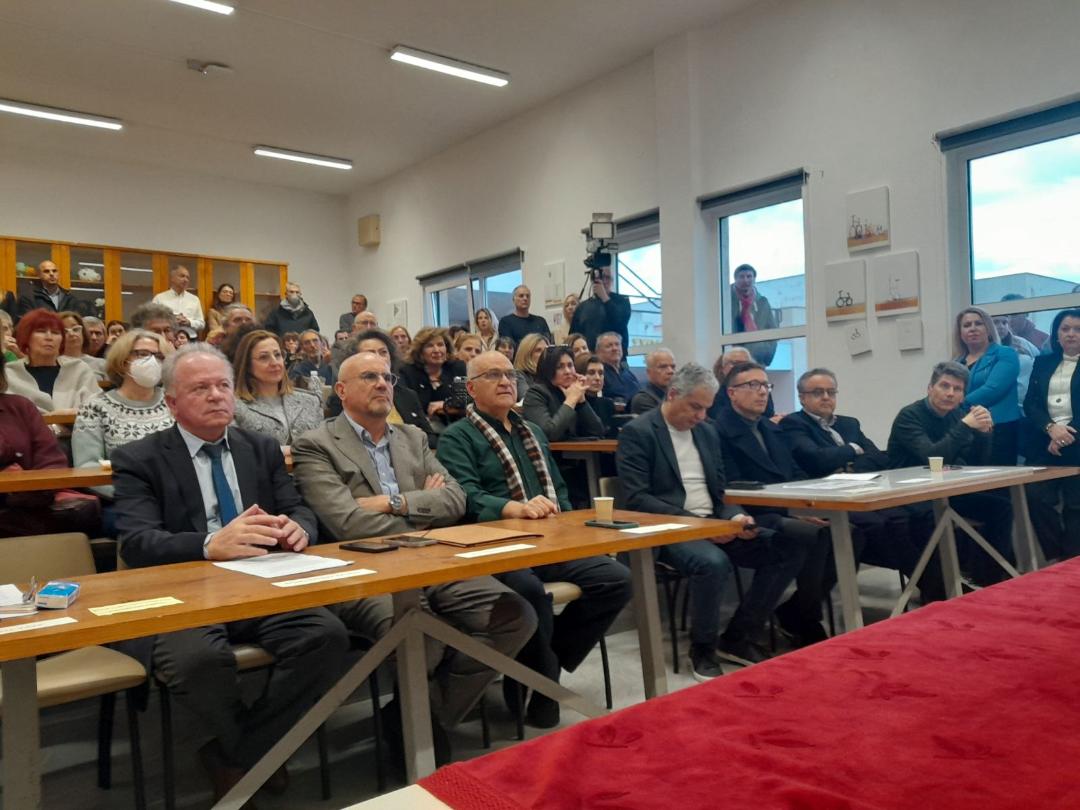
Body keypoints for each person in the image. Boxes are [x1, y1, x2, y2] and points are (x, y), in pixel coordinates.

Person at [110, 344, 349, 801]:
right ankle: (257, 755)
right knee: (196, 662)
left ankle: (236, 756)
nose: (217, 396)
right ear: (172, 402)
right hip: (185, 593)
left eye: (223, 385)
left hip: (262, 583)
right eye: (201, 388)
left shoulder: (259, 448)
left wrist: (298, 527)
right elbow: (138, 542)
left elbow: (297, 506)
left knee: (326, 636)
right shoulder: (139, 459)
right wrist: (207, 544)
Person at [292, 351, 536, 736]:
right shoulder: (316, 444)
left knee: (515, 616)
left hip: (431, 558)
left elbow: (456, 500)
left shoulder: (413, 436)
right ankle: (421, 734)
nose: (382, 384)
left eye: (387, 377)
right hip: (367, 569)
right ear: (340, 390)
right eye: (369, 377)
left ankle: (419, 721)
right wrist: (425, 508)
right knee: (420, 636)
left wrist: (395, 502)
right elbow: (349, 524)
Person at [437, 350, 632, 728]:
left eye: (510, 374)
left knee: (617, 579)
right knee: (529, 592)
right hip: (497, 545)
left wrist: (570, 525)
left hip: (549, 538)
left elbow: (557, 488)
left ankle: (545, 667)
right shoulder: (456, 437)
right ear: (472, 388)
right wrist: (512, 508)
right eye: (493, 375)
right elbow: (465, 497)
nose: (505, 381)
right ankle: (543, 687)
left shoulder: (533, 431)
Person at [618, 363, 806, 677]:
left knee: (789, 546)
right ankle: (702, 649)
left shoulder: (707, 432)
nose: (701, 415)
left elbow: (719, 491)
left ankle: (738, 636)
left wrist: (735, 516)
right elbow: (637, 498)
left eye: (706, 408)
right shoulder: (639, 432)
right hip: (670, 528)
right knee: (713, 563)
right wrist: (702, 526)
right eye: (695, 407)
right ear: (673, 394)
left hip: (713, 522)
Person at [781, 368, 944, 601]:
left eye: (830, 392)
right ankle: (935, 588)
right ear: (802, 397)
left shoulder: (849, 424)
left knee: (915, 516)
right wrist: (852, 449)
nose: (826, 397)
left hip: (862, 491)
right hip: (827, 499)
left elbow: (877, 457)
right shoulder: (794, 424)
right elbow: (816, 459)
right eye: (817, 392)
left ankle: (934, 585)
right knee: (882, 525)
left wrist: (848, 469)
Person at [712, 361, 837, 645]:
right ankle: (747, 632)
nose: (762, 392)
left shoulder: (770, 428)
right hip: (749, 513)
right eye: (752, 385)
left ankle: (798, 613)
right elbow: (732, 488)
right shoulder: (719, 430)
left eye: (765, 385)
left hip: (784, 508)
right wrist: (792, 511)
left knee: (849, 533)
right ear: (731, 393)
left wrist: (808, 505)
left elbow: (794, 473)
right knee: (812, 536)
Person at [887, 361, 1015, 585]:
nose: (950, 393)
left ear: (963, 395)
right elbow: (933, 457)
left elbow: (975, 463)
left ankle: (988, 580)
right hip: (911, 494)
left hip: (945, 491)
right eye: (944, 386)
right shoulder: (909, 416)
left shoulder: (957, 416)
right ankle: (939, 586)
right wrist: (965, 427)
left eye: (957, 389)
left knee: (1001, 507)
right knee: (930, 518)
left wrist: (983, 434)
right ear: (930, 388)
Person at [72, 330, 174, 531]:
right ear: (123, 360)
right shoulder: (96, 407)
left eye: (159, 356)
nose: (152, 361)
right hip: (125, 500)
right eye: (142, 354)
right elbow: (87, 467)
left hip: (176, 496)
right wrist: (137, 494)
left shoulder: (176, 402)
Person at [0, 351, 100, 537]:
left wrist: (19, 491)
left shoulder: (20, 407)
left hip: (31, 501)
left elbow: (52, 460)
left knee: (83, 513)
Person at [1022, 309, 1080, 560]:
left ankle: (1071, 562)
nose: (1071, 334)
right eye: (1065, 329)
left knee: (1076, 506)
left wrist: (1066, 435)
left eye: (1077, 329)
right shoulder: (1042, 362)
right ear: (1056, 334)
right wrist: (1050, 428)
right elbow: (1031, 404)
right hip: (1044, 443)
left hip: (1077, 443)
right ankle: (1058, 556)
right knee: (1035, 498)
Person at [324, 329, 438, 446]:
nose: (378, 358)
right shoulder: (344, 396)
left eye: (383, 352)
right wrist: (405, 437)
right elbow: (339, 440)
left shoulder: (408, 395)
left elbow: (431, 439)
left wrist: (415, 437)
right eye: (370, 353)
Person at [954, 306, 1021, 465]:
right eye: (967, 325)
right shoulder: (956, 362)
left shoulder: (1005, 353)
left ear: (989, 329)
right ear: (960, 333)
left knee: (998, 478)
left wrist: (955, 403)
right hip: (967, 427)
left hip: (999, 429)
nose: (973, 328)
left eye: (978, 323)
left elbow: (993, 389)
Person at [232, 330, 323, 446]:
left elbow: (322, 447)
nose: (275, 363)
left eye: (277, 355)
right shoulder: (235, 408)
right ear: (247, 365)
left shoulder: (311, 401)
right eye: (264, 357)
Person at [4, 308, 100, 412]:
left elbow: (97, 408)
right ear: (26, 337)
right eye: (41, 331)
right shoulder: (9, 373)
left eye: (55, 332)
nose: (49, 337)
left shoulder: (79, 369)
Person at [522, 346, 603, 442]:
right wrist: (571, 400)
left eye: (570, 365)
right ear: (547, 370)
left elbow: (597, 431)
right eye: (560, 367)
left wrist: (581, 401)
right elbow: (549, 434)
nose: (567, 371)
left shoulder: (572, 391)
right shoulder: (535, 394)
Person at [399, 327, 466, 429]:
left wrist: (446, 405)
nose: (437, 350)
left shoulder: (457, 367)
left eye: (440, 345)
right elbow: (409, 406)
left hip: (456, 426)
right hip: (420, 428)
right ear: (420, 352)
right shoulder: (408, 372)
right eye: (430, 346)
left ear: (447, 348)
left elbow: (464, 399)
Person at [570, 266, 631, 352]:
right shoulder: (582, 307)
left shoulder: (622, 301)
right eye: (601, 278)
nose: (604, 281)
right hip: (590, 356)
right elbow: (574, 336)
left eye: (607, 278)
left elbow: (620, 322)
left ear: (612, 281)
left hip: (616, 355)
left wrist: (604, 297)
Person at [707, 345, 775, 421]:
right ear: (723, 367)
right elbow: (717, 416)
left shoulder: (762, 388)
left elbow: (769, 415)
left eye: (745, 364)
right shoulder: (713, 391)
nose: (740, 367)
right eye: (735, 363)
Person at [729, 264, 779, 365]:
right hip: (732, 360)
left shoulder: (762, 303)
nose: (746, 280)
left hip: (758, 360)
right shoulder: (725, 300)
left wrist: (766, 353)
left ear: (754, 278)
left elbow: (772, 331)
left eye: (749, 276)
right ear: (735, 279)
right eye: (741, 277)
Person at [993, 313, 1037, 407]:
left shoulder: (1022, 343)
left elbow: (1041, 364)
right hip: (1004, 406)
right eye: (995, 322)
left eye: (1004, 322)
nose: (1001, 327)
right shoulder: (985, 351)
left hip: (1031, 405)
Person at [575, 352, 619, 437]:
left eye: (601, 373)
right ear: (579, 375)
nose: (598, 378)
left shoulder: (608, 404)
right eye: (591, 373)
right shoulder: (573, 405)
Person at [151, 265, 205, 332]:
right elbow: (152, 320)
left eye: (187, 277)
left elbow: (201, 324)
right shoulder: (159, 298)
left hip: (188, 336)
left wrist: (189, 322)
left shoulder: (195, 299)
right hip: (166, 336)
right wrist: (171, 321)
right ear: (172, 278)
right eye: (182, 276)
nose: (186, 280)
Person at [596, 331, 639, 410]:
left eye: (617, 344)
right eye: (609, 346)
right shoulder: (599, 374)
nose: (615, 348)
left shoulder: (628, 374)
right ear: (599, 352)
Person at [629, 348, 675, 415]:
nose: (670, 371)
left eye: (673, 367)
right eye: (663, 367)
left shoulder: (676, 395)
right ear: (649, 372)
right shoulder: (642, 399)